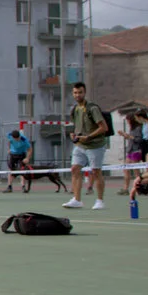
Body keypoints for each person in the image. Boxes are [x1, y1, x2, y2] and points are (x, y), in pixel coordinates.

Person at [63, 82, 108, 210]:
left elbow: (103, 127)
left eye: (80, 92)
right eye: (75, 93)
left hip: (95, 145)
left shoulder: (92, 108)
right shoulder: (75, 109)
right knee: (75, 169)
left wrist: (89, 136)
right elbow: (75, 126)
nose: (77, 95)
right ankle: (77, 200)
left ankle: (100, 200)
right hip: (80, 145)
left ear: (85, 93)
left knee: (96, 171)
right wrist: (73, 134)